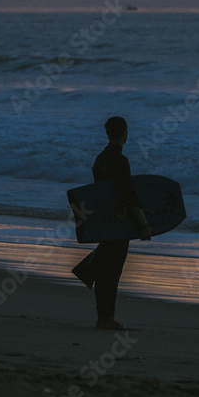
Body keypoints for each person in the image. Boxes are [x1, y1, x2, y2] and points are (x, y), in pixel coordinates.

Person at [71, 116, 152, 329]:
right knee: (113, 272)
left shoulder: (100, 159)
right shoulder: (121, 161)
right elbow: (128, 194)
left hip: (104, 220)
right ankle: (107, 317)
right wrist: (142, 224)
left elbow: (100, 192)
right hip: (119, 222)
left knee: (104, 269)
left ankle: (102, 316)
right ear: (125, 133)